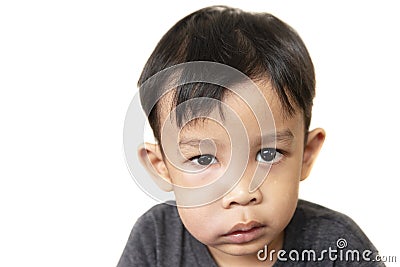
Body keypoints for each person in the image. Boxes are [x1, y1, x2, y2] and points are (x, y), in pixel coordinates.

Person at [118, 5, 383, 266]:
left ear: (306, 153)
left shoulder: (337, 248)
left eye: (268, 154)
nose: (242, 193)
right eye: (203, 159)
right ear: (161, 167)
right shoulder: (154, 241)